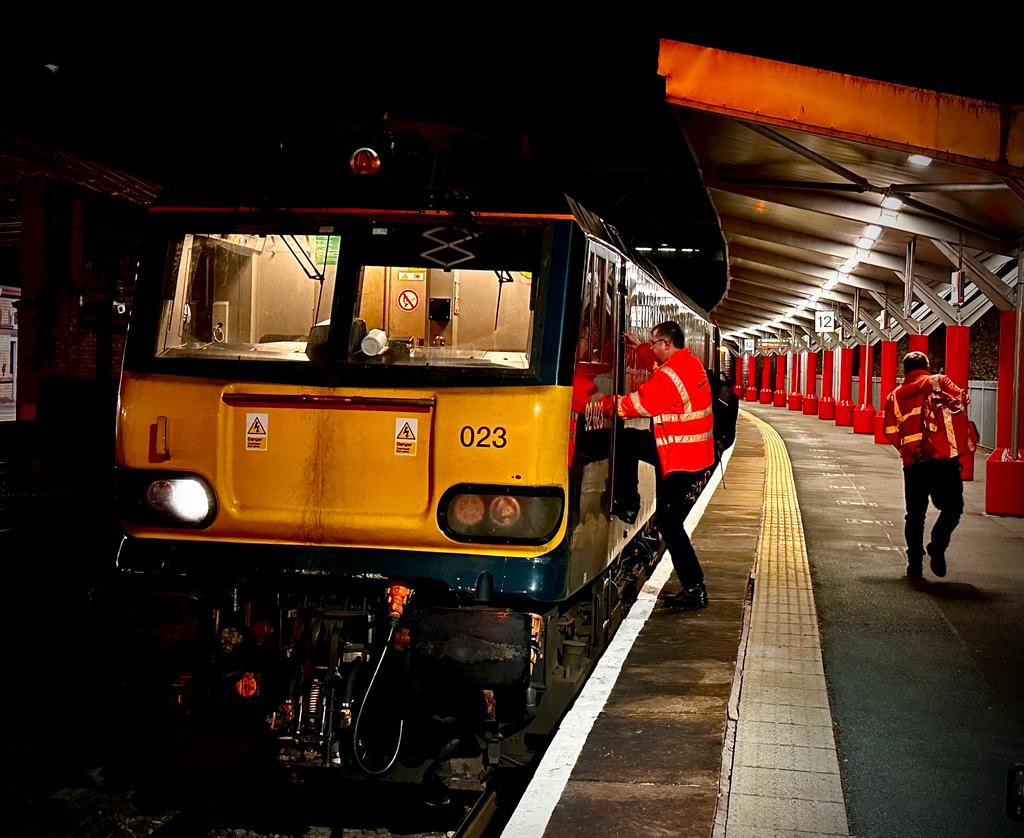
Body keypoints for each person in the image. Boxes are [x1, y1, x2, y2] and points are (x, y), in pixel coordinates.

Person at [614, 321, 716, 609]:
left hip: (678, 455)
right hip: (689, 452)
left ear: (667, 344)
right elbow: (661, 372)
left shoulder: (673, 375)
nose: (653, 347)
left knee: (669, 523)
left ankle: (695, 588)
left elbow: (640, 404)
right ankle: (629, 500)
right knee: (632, 441)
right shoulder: (689, 363)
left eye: (655, 343)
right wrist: (642, 350)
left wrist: (601, 404)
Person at [883, 351, 970, 579]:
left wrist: (907, 450)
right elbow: (962, 398)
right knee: (953, 507)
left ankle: (914, 565)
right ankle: (938, 544)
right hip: (942, 459)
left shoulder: (894, 396)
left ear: (905, 370)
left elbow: (891, 431)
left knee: (914, 515)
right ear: (926, 365)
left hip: (913, 462)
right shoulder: (938, 381)